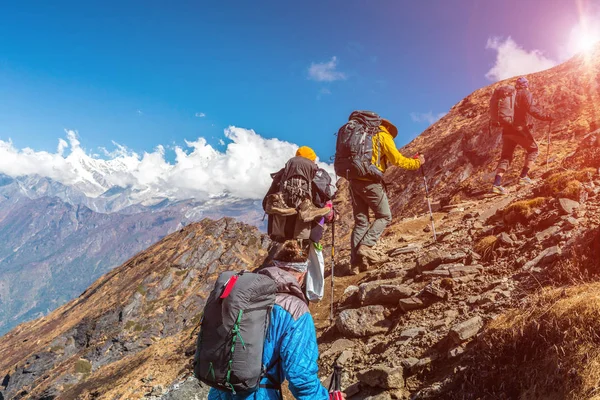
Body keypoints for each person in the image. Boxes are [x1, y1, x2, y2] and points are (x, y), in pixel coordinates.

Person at [207, 240, 344, 400]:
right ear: (302, 274)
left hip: (220, 392)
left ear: (273, 267)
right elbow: (301, 376)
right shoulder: (295, 309)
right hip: (259, 394)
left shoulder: (244, 295)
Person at [350, 118, 424, 270]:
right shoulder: (384, 135)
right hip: (370, 182)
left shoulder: (358, 136)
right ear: (388, 127)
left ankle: (356, 264)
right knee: (384, 216)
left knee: (361, 221)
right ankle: (366, 246)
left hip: (353, 182)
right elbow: (397, 160)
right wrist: (417, 163)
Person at [492, 76, 553, 195]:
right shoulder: (524, 93)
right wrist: (547, 117)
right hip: (519, 129)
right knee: (533, 149)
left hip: (506, 130)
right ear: (525, 84)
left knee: (506, 156)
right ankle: (523, 177)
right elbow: (531, 109)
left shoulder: (510, 96)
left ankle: (496, 184)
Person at [263, 147, 333, 242]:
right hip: (307, 234)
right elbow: (322, 205)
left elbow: (265, 203)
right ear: (313, 160)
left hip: (280, 232)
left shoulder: (282, 175)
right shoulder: (318, 176)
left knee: (277, 253)